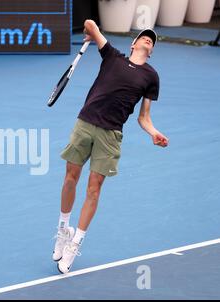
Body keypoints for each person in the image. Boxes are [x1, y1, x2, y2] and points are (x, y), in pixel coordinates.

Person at [53, 19, 169, 274]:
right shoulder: (112, 56)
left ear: (151, 51)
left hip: (111, 136)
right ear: (134, 44)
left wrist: (153, 133)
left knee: (93, 190)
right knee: (70, 178)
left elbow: (144, 117)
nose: (148, 39)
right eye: (144, 37)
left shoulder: (151, 77)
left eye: (152, 40)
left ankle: (75, 243)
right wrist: (89, 32)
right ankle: (63, 230)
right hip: (85, 124)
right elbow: (90, 23)